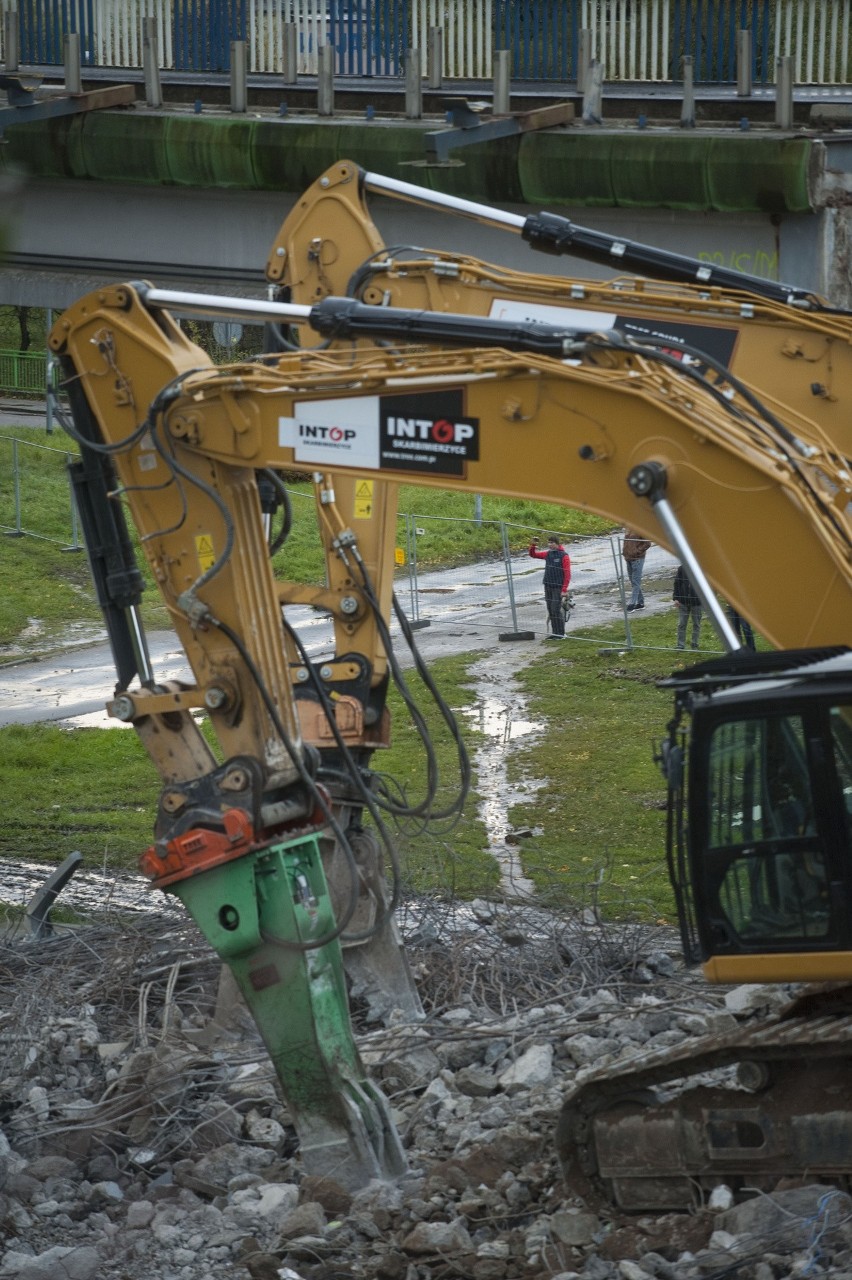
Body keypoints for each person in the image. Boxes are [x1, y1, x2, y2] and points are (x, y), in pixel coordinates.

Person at [529, 533, 571, 639]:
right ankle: (554, 633)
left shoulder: (564, 556)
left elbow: (567, 573)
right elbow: (533, 555)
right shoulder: (548, 554)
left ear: (557, 544)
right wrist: (533, 546)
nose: (549, 545)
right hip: (548, 585)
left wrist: (564, 589)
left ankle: (561, 634)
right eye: (549, 542)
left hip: (558, 586)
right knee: (550, 609)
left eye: (552, 543)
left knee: (555, 609)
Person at [673, 564, 703, 651]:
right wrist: (676, 598)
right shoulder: (682, 568)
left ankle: (694, 644)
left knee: (696, 623)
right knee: (681, 623)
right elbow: (677, 583)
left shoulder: (701, 569)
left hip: (697, 602)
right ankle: (680, 645)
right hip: (683, 602)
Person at [622, 528, 652, 612]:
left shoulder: (639, 528)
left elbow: (648, 543)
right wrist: (625, 552)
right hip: (628, 558)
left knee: (635, 581)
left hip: (637, 559)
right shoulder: (628, 529)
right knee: (633, 581)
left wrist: (638, 551)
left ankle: (632, 603)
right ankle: (641, 603)